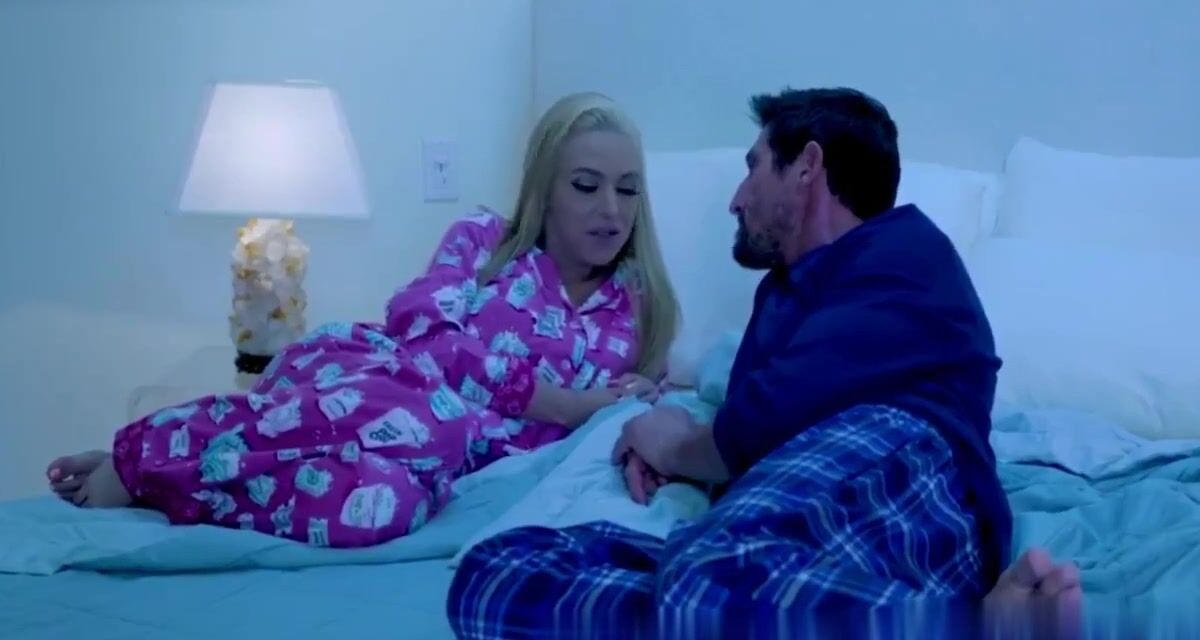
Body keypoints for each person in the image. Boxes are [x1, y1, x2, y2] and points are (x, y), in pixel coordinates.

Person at [446, 88, 1084, 639]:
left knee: (704, 578)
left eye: (753, 167)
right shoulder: (785, 294)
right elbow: (744, 441)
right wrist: (692, 450)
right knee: (494, 577)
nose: (736, 198)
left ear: (807, 168)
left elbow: (750, 430)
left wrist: (672, 440)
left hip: (905, 468)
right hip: (790, 555)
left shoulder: (903, 251)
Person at [43, 92, 681, 549]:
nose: (611, 208)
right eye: (587, 185)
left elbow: (646, 411)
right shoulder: (485, 241)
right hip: (372, 378)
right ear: (545, 189)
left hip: (439, 467)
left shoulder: (641, 309)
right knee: (439, 421)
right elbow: (426, 335)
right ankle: (144, 453)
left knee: (382, 506)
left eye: (628, 189)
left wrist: (631, 413)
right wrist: (564, 404)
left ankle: (171, 481)